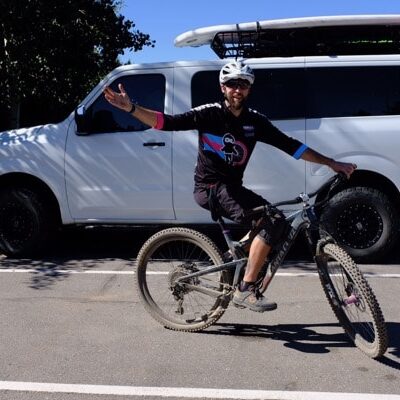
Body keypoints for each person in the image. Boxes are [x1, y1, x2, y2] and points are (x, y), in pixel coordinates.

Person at [103, 61, 356, 313]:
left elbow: (292, 146)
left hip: (232, 188)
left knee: (276, 220)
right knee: (270, 222)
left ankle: (236, 254)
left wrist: (331, 163)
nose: (237, 89)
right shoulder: (209, 113)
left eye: (243, 84)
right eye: (232, 84)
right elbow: (165, 122)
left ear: (249, 89)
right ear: (223, 87)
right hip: (210, 188)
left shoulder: (255, 121)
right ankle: (245, 289)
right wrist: (131, 108)